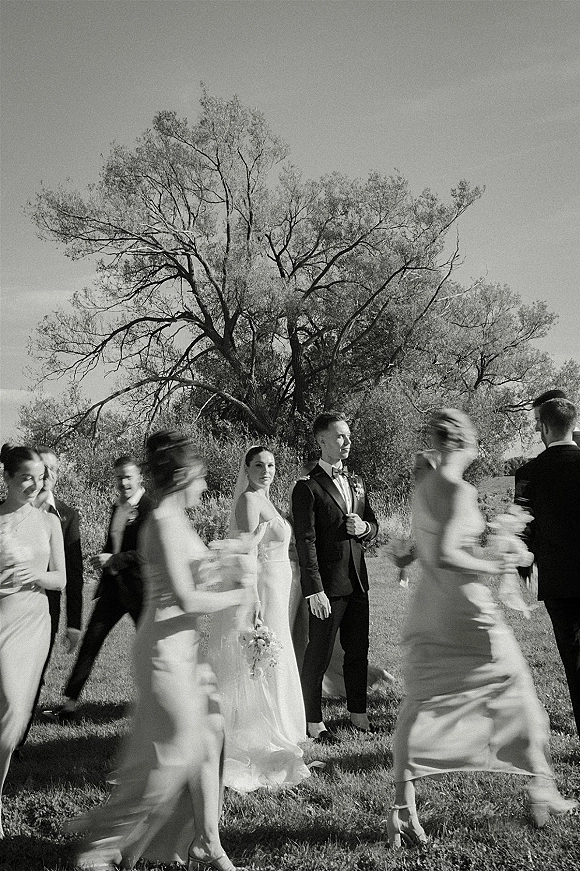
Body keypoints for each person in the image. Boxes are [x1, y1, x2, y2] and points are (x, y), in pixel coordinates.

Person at [387, 409, 576, 849]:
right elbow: (448, 554)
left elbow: (422, 548)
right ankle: (541, 789)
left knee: (419, 703)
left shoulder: (424, 487)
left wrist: (405, 557)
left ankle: (402, 807)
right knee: (519, 689)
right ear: (462, 443)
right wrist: (497, 560)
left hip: (430, 612)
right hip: (469, 615)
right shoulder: (458, 488)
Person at [70, 430, 251, 871]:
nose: (205, 487)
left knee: (209, 738)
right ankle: (104, 846)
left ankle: (207, 843)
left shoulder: (176, 519)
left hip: (185, 648)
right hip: (165, 652)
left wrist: (222, 560)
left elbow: (183, 577)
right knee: (170, 756)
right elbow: (186, 600)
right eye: (202, 479)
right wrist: (236, 597)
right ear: (185, 475)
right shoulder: (165, 523)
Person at [207, 446, 311, 792]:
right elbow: (246, 552)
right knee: (262, 658)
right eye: (258, 465)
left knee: (276, 655)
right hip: (263, 589)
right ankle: (260, 727)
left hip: (280, 587)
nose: (266, 470)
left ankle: (280, 721)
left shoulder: (266, 499)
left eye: (270, 464)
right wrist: (252, 598)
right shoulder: (250, 501)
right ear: (246, 469)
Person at [292, 411, 378, 743]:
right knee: (320, 653)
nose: (347, 442)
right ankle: (313, 722)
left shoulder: (358, 482)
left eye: (349, 436)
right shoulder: (307, 488)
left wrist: (366, 528)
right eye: (340, 436)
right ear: (322, 441)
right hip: (327, 588)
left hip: (358, 582)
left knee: (358, 651)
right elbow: (306, 541)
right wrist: (314, 590)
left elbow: (373, 524)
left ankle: (359, 716)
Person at [49, 455, 153, 722]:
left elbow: (151, 554)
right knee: (90, 643)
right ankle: (70, 705)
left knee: (151, 648)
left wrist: (116, 559)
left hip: (141, 592)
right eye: (119, 477)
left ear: (140, 476)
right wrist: (104, 558)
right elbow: (114, 544)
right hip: (112, 589)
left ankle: (158, 701)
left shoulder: (151, 508)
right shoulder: (116, 506)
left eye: (128, 476)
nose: (124, 482)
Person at [0, 444, 65, 838]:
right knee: (6, 704)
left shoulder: (49, 523)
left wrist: (35, 576)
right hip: (2, 616)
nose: (32, 484)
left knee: (17, 712)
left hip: (35, 620)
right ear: (6, 478)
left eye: (38, 477)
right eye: (24, 476)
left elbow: (61, 579)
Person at [514, 398, 580, 740]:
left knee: (574, 662)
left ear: (543, 427)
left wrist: (522, 573)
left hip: (558, 582)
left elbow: (523, 528)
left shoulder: (528, 473)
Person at [18, 446, 84, 748]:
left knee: (35, 675)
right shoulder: (12, 512)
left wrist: (73, 624)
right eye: (43, 469)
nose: (48, 477)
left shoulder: (68, 516)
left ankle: (16, 741)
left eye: (53, 470)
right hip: (10, 606)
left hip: (47, 611)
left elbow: (74, 574)